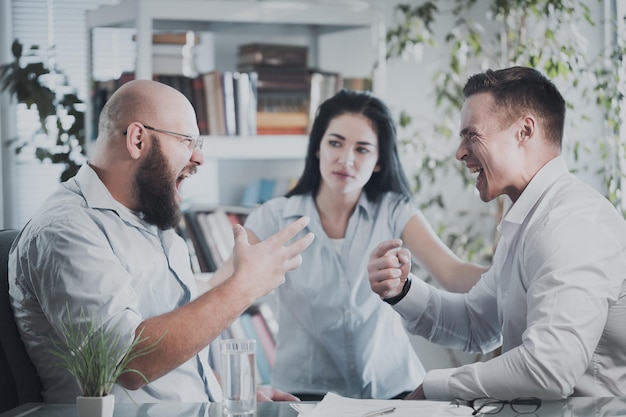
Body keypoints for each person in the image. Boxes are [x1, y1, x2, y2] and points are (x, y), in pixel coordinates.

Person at [8, 79, 314, 404]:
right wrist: (243, 288)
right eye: (186, 141)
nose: (199, 158)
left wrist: (231, 396)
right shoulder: (66, 230)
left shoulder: (148, 217)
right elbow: (128, 363)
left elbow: (172, 367)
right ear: (137, 139)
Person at [368, 66, 626, 400]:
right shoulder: (529, 221)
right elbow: (478, 324)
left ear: (524, 131)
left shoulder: (570, 225)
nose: (460, 152)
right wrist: (402, 289)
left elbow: (548, 370)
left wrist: (434, 387)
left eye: (471, 135)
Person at [210, 89, 486, 400]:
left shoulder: (394, 210)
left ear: (379, 161)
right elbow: (214, 296)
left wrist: (516, 274)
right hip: (304, 396)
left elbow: (452, 272)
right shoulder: (274, 217)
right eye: (335, 143)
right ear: (318, 148)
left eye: (363, 149)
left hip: (394, 394)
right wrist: (227, 384)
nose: (346, 159)